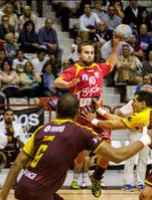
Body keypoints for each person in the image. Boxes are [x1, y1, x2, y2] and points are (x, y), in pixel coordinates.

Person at [0, 93, 152, 200]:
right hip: (39, 192)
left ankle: (93, 178)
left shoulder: (42, 129)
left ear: (56, 112)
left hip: (24, 186)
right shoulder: (80, 131)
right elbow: (118, 155)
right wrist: (147, 139)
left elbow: (17, 164)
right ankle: (94, 177)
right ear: (78, 112)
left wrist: (2, 196)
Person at [83, 90, 152, 200]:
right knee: (144, 196)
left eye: (134, 101)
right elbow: (120, 120)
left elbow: (114, 124)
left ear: (143, 104)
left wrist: (93, 121)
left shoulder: (143, 116)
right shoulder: (147, 115)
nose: (132, 103)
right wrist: (100, 110)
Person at [54, 36, 121, 197]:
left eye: (91, 52)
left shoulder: (98, 68)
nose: (89, 55)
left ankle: (97, 177)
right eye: (86, 53)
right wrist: (68, 84)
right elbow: (58, 81)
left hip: (98, 114)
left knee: (108, 151)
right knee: (79, 158)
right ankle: (76, 171)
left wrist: (116, 46)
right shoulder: (75, 69)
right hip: (81, 117)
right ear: (80, 55)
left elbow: (110, 63)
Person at [0, 108, 25, 189]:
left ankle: (21, 181)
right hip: (3, 152)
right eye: (7, 115)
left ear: (13, 116)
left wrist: (17, 137)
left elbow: (23, 146)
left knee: (26, 159)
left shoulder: (18, 127)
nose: (9, 117)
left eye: (11, 115)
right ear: (3, 116)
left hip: (15, 152)